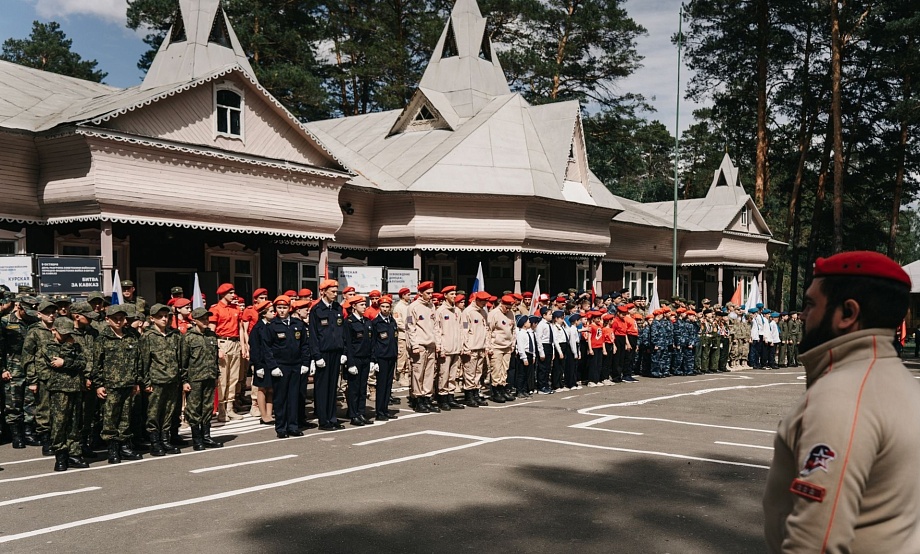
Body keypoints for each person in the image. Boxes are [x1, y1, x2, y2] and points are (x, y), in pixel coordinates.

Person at [763, 251, 920, 552]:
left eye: (811, 304)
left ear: (847, 313)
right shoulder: (904, 384)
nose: (802, 315)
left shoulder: (841, 397)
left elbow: (816, 542)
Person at [93, 305, 143, 464]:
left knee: (125, 417)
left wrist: (136, 381)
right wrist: (99, 384)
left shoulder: (131, 337)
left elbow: (137, 361)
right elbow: (96, 364)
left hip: (128, 384)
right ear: (107, 319)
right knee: (110, 418)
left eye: (121, 318)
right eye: (115, 318)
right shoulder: (102, 339)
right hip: (111, 385)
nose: (119, 321)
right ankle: (112, 449)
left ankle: (125, 446)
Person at [139, 304, 187, 456]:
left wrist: (181, 378)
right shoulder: (148, 337)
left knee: (169, 412)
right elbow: (143, 362)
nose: (164, 319)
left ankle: (165, 440)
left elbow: (180, 359)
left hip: (172, 380)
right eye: (160, 316)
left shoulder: (174, 335)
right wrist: (146, 382)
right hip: (156, 381)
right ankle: (155, 442)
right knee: (154, 413)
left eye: (166, 316)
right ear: (152, 318)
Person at [43, 317, 90, 471]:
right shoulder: (49, 346)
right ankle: (60, 454)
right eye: (62, 333)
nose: (66, 336)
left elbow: (82, 363)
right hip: (59, 389)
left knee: (75, 423)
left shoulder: (75, 345)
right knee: (59, 423)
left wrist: (66, 362)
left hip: (75, 387)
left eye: (68, 333)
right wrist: (68, 351)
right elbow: (54, 363)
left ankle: (74, 453)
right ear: (53, 330)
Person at [262, 296, 312, 438]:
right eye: (279, 308)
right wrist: (273, 366)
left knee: (294, 397)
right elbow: (267, 348)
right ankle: (281, 428)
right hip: (280, 366)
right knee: (280, 398)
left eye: (284, 308)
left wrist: (305, 363)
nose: (282, 311)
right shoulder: (272, 326)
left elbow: (304, 345)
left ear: (289, 308)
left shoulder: (298, 324)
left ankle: (293, 426)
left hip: (296, 365)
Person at [181, 307, 223, 450]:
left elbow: (215, 358)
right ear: (194, 320)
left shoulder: (211, 335)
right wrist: (184, 381)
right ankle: (197, 438)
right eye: (202, 319)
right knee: (194, 408)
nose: (206, 321)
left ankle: (206, 436)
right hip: (195, 378)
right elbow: (183, 361)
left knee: (207, 407)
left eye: (207, 318)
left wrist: (216, 375)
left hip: (209, 376)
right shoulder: (188, 337)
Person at [308, 280, 347, 431]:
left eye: (336, 291)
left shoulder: (338, 308)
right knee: (322, 388)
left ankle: (332, 417)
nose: (335, 294)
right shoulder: (316, 310)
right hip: (323, 353)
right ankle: (323, 420)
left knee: (332, 387)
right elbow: (313, 335)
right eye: (332, 291)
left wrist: (343, 352)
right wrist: (316, 356)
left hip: (336, 352)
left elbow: (342, 332)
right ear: (323, 292)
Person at [209, 283, 244, 422]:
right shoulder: (216, 309)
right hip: (222, 342)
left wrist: (243, 346)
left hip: (235, 343)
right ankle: (222, 410)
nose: (233, 295)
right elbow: (211, 330)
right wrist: (216, 349)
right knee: (223, 378)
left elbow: (241, 328)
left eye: (233, 292)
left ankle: (230, 407)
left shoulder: (236, 308)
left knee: (234, 377)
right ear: (223, 294)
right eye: (230, 293)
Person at [406, 281, 440, 413]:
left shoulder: (431, 306)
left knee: (429, 374)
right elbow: (410, 327)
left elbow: (436, 326)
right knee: (418, 373)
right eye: (428, 293)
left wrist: (437, 343)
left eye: (431, 293)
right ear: (420, 293)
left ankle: (427, 398)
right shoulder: (413, 307)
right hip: (419, 344)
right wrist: (414, 345)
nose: (430, 296)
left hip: (430, 344)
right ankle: (418, 399)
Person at [343, 295, 374, 426]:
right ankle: (353, 414)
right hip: (355, 359)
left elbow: (371, 342)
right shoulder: (349, 322)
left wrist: (372, 360)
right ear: (354, 306)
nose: (364, 307)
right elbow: (347, 344)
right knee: (354, 389)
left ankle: (361, 413)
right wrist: (350, 363)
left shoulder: (367, 321)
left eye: (365, 304)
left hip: (365, 358)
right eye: (361, 305)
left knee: (362, 388)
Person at [370, 296, 399, 421]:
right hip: (381, 357)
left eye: (387, 307)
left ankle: (385, 409)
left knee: (388, 385)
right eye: (383, 306)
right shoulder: (376, 323)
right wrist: (374, 359)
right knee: (381, 385)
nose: (385, 309)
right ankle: (380, 411)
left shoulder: (392, 321)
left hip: (391, 356)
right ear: (379, 307)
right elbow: (373, 342)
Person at [435, 286, 464, 411]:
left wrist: (461, 345)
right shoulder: (440, 311)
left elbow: (461, 329)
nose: (454, 296)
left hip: (456, 347)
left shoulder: (457, 311)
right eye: (451, 294)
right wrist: (440, 347)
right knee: (444, 374)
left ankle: (451, 396)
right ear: (445, 295)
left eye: (455, 294)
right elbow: (437, 330)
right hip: (446, 348)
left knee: (453, 375)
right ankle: (443, 398)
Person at [459, 291, 490, 407]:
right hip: (471, 347)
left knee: (478, 373)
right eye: (483, 301)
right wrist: (466, 346)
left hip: (481, 347)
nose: (485, 303)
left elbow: (486, 330)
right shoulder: (468, 312)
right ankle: (469, 395)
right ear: (477, 300)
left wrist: (486, 345)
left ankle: (476, 393)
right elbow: (464, 330)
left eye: (486, 301)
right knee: (469, 372)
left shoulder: (483, 312)